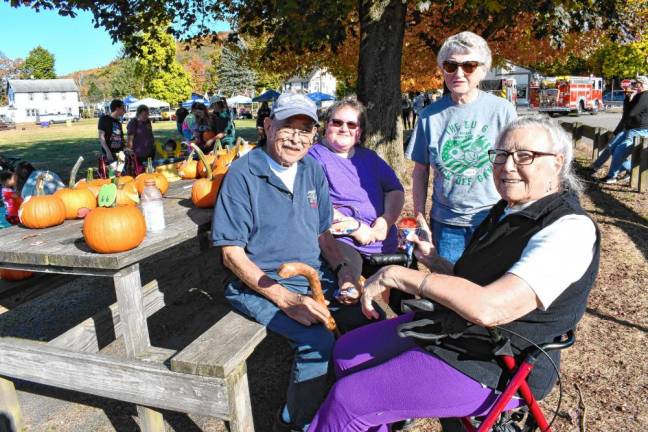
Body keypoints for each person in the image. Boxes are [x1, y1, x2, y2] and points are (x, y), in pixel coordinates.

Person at [308, 116, 600, 431]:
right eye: (501, 155)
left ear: (557, 163)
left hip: (498, 360)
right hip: (458, 330)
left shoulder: (569, 230)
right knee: (347, 352)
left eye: (524, 156)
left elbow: (491, 307)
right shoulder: (508, 209)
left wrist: (403, 276)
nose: (508, 166)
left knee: (348, 400)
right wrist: (432, 259)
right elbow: (469, 285)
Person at [212, 92, 373, 431]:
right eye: (288, 126)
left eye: (306, 130)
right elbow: (231, 254)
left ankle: (354, 406)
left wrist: (343, 272)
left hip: (313, 275)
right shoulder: (243, 175)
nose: (296, 138)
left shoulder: (311, 168)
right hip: (259, 284)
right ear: (268, 126)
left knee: (366, 319)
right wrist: (286, 300)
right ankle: (294, 422)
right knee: (316, 342)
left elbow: (323, 235)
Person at [407, 31, 517, 264]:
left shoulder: (503, 111)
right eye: (451, 65)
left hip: (493, 218)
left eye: (469, 66)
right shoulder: (428, 117)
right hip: (446, 224)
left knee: (488, 289)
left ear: (483, 70)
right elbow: (420, 171)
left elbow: (517, 162)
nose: (459, 73)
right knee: (449, 287)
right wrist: (420, 217)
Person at [307, 98, 405, 287]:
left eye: (351, 124)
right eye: (337, 122)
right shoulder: (314, 157)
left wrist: (386, 221)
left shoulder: (369, 158)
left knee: (408, 293)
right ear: (326, 126)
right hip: (344, 241)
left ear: (359, 132)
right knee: (348, 287)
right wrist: (354, 227)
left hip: (383, 239)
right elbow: (314, 202)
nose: (344, 128)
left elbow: (395, 190)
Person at [590, 76, 648, 184]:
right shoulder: (638, 96)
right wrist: (628, 97)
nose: (634, 85)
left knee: (619, 151)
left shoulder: (645, 96)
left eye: (637, 83)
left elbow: (631, 113)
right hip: (630, 129)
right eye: (634, 83)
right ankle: (629, 170)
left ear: (642, 84)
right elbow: (626, 115)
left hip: (640, 131)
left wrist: (631, 98)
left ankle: (612, 176)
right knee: (612, 147)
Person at [98, 99, 126, 164]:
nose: (125, 110)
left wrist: (125, 149)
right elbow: (101, 137)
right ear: (117, 108)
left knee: (120, 173)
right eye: (123, 108)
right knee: (111, 174)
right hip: (109, 154)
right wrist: (108, 152)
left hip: (120, 154)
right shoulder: (104, 119)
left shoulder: (119, 123)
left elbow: (121, 139)